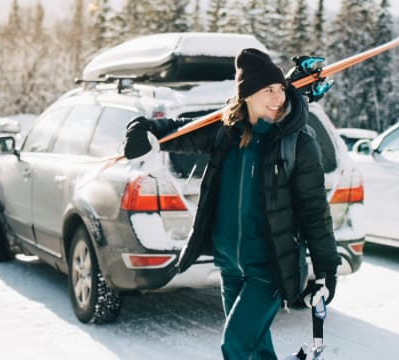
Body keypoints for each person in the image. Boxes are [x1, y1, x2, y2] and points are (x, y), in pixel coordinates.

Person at [122, 48, 339, 360]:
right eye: (268, 91)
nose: (278, 98)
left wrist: (325, 271)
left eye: (280, 89)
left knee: (236, 345)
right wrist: (140, 130)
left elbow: (315, 212)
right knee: (256, 349)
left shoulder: (297, 143)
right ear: (246, 95)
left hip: (270, 268)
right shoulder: (225, 131)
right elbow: (173, 130)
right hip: (229, 264)